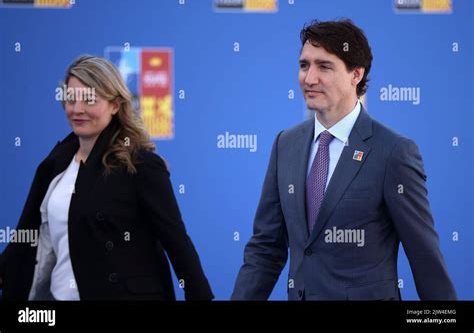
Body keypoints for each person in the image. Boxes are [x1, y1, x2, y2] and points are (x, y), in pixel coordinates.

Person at [231, 19, 457, 301]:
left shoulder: (394, 152)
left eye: (324, 66)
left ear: (356, 75)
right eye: (304, 65)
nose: (309, 78)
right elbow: (266, 248)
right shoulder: (285, 144)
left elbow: (424, 257)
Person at [0, 55, 213, 300]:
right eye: (71, 99)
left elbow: (176, 243)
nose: (77, 109)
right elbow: (27, 238)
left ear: (115, 105)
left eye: (89, 100)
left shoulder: (140, 165)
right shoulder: (54, 164)